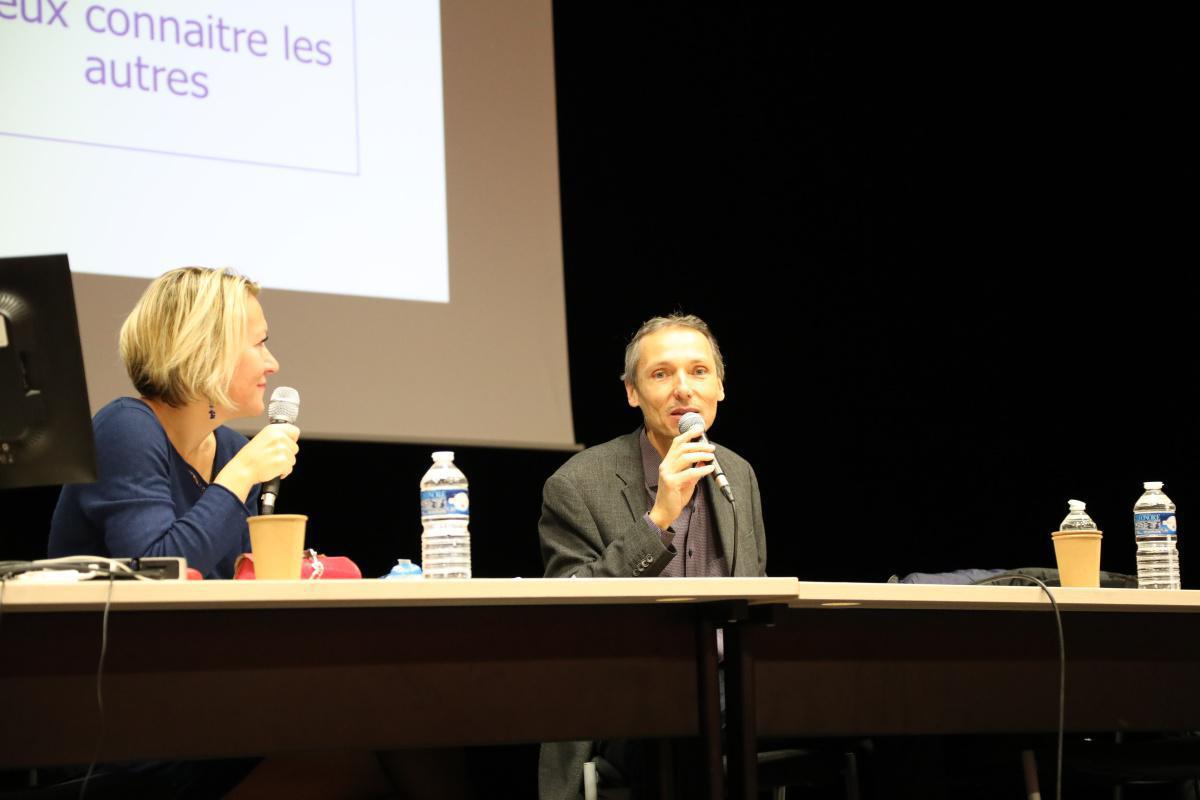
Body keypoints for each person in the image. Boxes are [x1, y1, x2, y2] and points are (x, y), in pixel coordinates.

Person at [538, 313, 767, 799]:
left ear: (720, 388)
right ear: (632, 393)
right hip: (624, 699)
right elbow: (571, 608)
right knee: (701, 716)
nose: (683, 389)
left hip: (731, 691)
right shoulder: (576, 484)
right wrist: (657, 518)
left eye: (699, 372)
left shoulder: (739, 475)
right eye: (661, 374)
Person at [49, 266, 299, 578]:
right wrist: (243, 472)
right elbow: (158, 573)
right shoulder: (125, 429)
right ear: (207, 351)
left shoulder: (233, 449)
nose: (272, 364)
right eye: (260, 343)